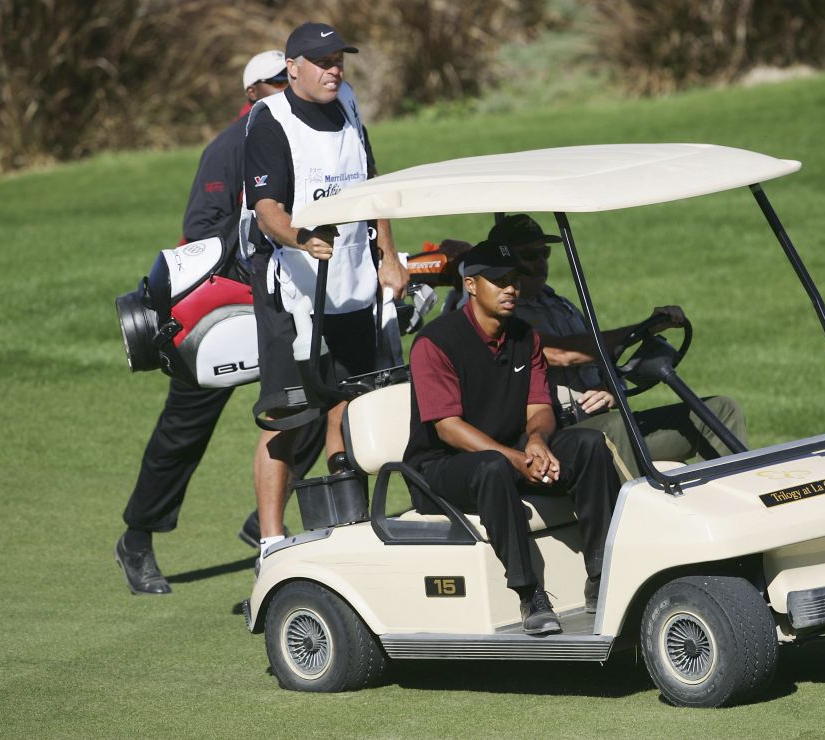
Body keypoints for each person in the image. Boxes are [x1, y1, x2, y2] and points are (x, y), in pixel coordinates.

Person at [115, 51, 325, 596]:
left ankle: (265, 519)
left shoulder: (297, 137)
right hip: (215, 310)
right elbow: (202, 228)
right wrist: (271, 221)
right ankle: (137, 538)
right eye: (276, 82)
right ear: (253, 92)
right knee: (184, 431)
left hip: (282, 303)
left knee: (311, 407)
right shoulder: (230, 146)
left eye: (290, 80)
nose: (286, 88)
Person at [240, 23, 409, 558]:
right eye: (323, 61)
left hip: (353, 279)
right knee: (287, 418)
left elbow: (369, 181)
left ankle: (347, 521)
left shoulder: (349, 103)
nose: (335, 69)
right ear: (293, 68)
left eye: (339, 59)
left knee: (349, 401)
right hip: (289, 287)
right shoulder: (270, 119)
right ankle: (270, 539)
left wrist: (387, 254)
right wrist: (302, 237)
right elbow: (266, 212)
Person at [404, 242, 620, 635]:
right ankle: (529, 594)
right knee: (492, 467)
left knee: (588, 445)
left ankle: (602, 575)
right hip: (438, 468)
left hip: (505, 453)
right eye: (499, 281)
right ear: (470, 285)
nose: (511, 289)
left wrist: (537, 441)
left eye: (515, 280)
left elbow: (539, 406)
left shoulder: (525, 336)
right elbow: (446, 427)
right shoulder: (434, 343)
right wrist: (513, 456)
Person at [492, 214, 748, 481]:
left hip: (605, 421)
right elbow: (563, 353)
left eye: (544, 253)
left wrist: (612, 387)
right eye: (530, 255)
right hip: (557, 434)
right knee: (615, 428)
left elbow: (600, 358)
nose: (540, 263)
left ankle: (736, 507)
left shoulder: (561, 305)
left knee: (721, 410)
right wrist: (641, 328)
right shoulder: (504, 315)